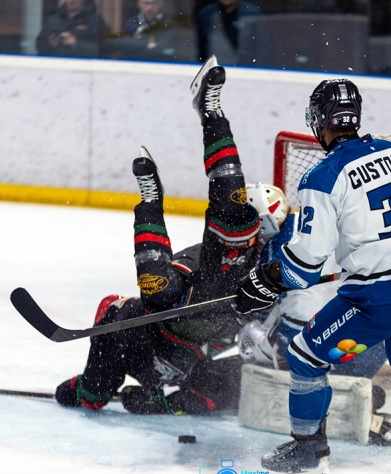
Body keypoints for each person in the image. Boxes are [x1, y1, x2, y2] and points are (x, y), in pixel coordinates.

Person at [235, 79, 391, 474]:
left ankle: (308, 454)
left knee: (304, 355)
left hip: (382, 295)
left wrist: (262, 280)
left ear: (318, 121)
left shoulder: (322, 176)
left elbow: (302, 266)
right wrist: (386, 250)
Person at [55, 56, 261, 415]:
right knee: (157, 288)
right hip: (174, 321)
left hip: (208, 333)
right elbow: (91, 393)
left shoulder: (278, 259)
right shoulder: (123, 325)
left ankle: (209, 111)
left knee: (247, 377)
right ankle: (151, 199)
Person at [36, 0, 106, 58]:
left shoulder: (95, 22)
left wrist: (76, 43)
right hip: (55, 69)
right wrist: (50, 42)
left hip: (85, 70)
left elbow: (105, 48)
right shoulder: (53, 20)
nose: (72, 1)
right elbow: (39, 45)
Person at [196, 0, 260, 63]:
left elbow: (262, 50)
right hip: (215, 70)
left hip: (247, 70)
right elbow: (199, 51)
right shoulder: (206, 14)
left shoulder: (252, 14)